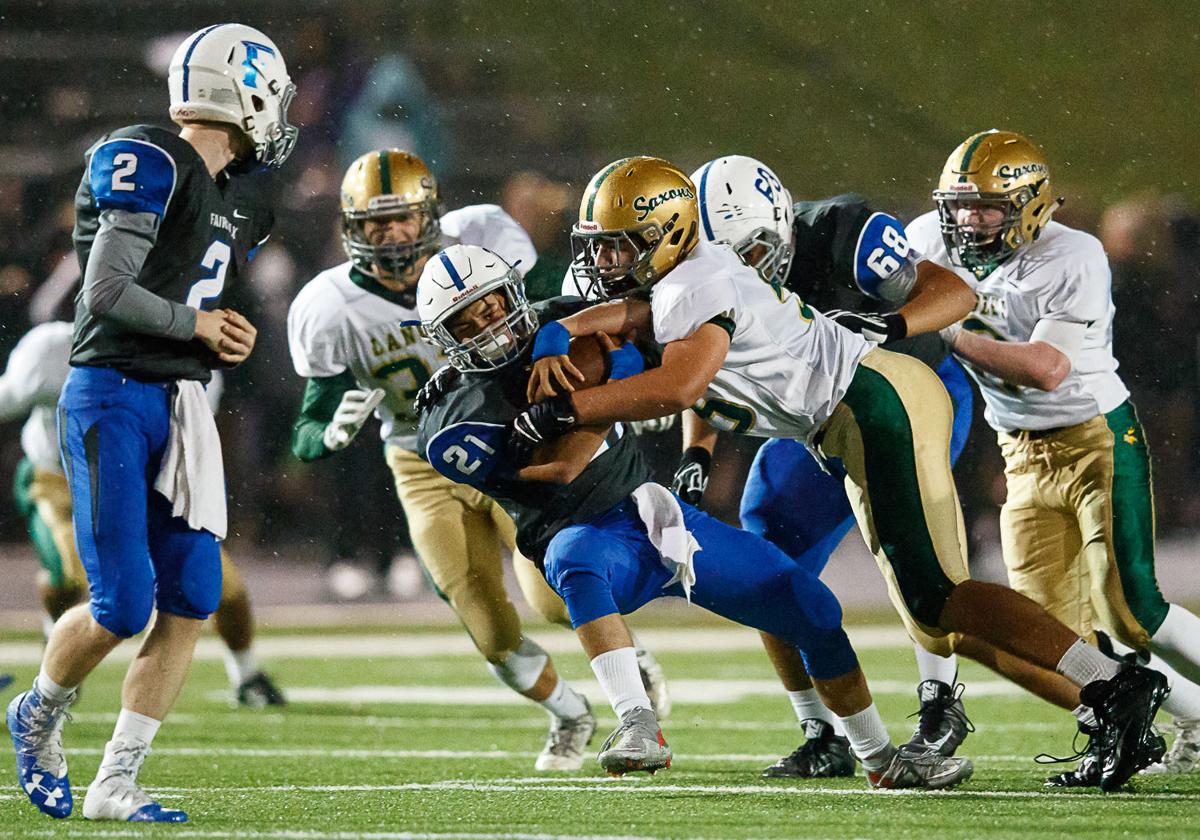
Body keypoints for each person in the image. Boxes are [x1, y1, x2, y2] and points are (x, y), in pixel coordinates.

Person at [514, 155, 1169, 792]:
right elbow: (636, 315)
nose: (603, 265)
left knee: (937, 597)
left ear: (674, 237)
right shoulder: (681, 273)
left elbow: (680, 385)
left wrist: (565, 409)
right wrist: (562, 328)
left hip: (875, 404)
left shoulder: (699, 280)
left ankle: (1111, 685)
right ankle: (1101, 687)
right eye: (597, 248)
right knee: (893, 586)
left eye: (620, 249)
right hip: (839, 418)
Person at [415, 243, 974, 789]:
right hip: (589, 534)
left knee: (812, 606)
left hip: (661, 515)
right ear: (447, 343)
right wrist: (609, 378)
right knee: (572, 555)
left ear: (514, 293)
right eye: (468, 323)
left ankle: (878, 757)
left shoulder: (560, 320)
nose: (491, 326)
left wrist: (569, 344)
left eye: (492, 305)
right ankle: (636, 721)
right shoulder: (450, 419)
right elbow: (563, 466)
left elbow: (650, 332)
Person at [287, 149, 667, 772]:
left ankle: (628, 660)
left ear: (430, 214)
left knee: (554, 596)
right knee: (486, 624)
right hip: (420, 459)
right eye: (375, 225)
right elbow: (309, 423)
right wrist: (324, 439)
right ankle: (570, 713)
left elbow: (564, 310)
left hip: (518, 435)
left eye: (402, 219)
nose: (392, 236)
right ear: (352, 230)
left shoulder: (482, 238)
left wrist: (624, 378)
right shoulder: (326, 306)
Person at [7, 23, 296, 822]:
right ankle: (35, 714)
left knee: (194, 592)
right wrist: (198, 327)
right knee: (122, 604)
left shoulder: (229, 196)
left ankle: (115, 779)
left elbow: (193, 307)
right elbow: (104, 291)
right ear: (241, 93)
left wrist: (222, 332)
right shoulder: (149, 155)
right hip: (113, 397)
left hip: (179, 404)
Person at [907, 129, 1200, 782]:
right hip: (1020, 451)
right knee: (1058, 635)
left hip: (1096, 435)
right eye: (959, 205)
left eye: (986, 207)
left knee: (1132, 609)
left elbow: (1043, 368)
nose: (968, 220)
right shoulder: (926, 238)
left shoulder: (1074, 255)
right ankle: (1191, 716)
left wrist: (945, 329)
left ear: (1032, 206)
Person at [674, 155, 976, 777]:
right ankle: (820, 729)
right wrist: (699, 449)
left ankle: (940, 701)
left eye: (750, 252)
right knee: (767, 555)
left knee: (908, 547)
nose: (739, 272)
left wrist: (888, 322)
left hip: (912, 393)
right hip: (812, 421)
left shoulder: (842, 231)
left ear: (781, 223)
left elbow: (953, 292)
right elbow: (706, 370)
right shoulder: (704, 272)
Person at [0, 319, 286, 706]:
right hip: (63, 479)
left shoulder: (192, 354)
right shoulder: (54, 348)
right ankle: (55, 657)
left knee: (220, 583)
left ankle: (248, 673)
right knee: (71, 576)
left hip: (153, 482)